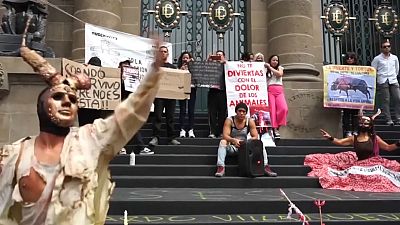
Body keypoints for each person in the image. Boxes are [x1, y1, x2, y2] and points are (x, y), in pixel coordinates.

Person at [0, 36, 164, 224]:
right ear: (41, 105)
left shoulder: (90, 140)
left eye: (73, 99)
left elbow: (128, 116)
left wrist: (154, 74)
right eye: (58, 96)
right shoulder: (14, 155)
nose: (67, 101)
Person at [305, 109, 400, 192]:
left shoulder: (375, 138)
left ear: (370, 126)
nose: (363, 125)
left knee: (380, 177)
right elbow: (340, 142)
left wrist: (398, 143)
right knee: (353, 174)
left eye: (366, 123)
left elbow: (388, 147)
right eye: (362, 123)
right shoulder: (353, 138)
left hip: (375, 163)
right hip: (360, 164)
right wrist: (330, 137)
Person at [215, 103, 277, 177]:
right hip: (233, 147)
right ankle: (221, 167)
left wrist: (246, 143)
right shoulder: (230, 120)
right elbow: (225, 135)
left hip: (245, 148)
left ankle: (265, 166)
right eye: (239, 111)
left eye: (244, 112)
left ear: (246, 113)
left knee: (260, 143)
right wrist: (233, 140)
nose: (241, 113)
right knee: (223, 142)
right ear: (236, 111)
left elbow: (255, 136)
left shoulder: (249, 121)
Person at [119, 60, 154, 155]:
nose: (125, 69)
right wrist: (122, 81)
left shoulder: (134, 80)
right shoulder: (116, 80)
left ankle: (135, 147)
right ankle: (137, 147)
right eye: (123, 67)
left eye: (127, 67)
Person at [148, 46, 181, 145]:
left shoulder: (173, 67)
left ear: (167, 54)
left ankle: (171, 138)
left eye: (165, 52)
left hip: (171, 96)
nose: (163, 53)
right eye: (161, 51)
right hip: (158, 95)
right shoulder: (154, 66)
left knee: (170, 117)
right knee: (157, 116)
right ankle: (155, 137)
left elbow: (177, 80)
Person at [371, 41, 400, 125]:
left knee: (397, 98)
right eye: (384, 47)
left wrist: (394, 75)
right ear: (381, 48)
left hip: (393, 79)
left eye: (388, 46)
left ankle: (398, 117)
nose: (387, 48)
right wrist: (378, 77)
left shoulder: (394, 58)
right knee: (386, 100)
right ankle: (388, 119)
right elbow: (373, 69)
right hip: (383, 80)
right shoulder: (377, 58)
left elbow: (397, 69)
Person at [265, 54, 288, 140]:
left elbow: (279, 74)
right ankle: (274, 129)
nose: (275, 62)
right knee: (272, 110)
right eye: (273, 60)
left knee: (283, 108)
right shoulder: (265, 69)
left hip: (279, 90)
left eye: (276, 60)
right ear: (270, 61)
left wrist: (270, 67)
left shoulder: (280, 68)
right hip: (270, 90)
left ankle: (277, 126)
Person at [77, 56, 103, 126]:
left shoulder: (102, 76)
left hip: (96, 109)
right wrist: (83, 68)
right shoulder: (83, 72)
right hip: (84, 109)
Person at [207, 50, 227, 138]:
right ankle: (213, 132)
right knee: (212, 112)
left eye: (220, 55)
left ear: (224, 57)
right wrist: (208, 61)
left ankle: (221, 132)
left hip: (223, 92)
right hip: (213, 91)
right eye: (217, 55)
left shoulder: (227, 66)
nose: (218, 56)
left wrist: (225, 63)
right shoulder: (211, 66)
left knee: (222, 113)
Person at [177, 51, 197, 138]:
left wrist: (193, 66)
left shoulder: (194, 68)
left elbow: (199, 77)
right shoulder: (178, 68)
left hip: (192, 89)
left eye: (187, 58)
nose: (185, 59)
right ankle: (182, 129)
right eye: (184, 57)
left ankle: (191, 129)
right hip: (182, 90)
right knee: (182, 110)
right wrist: (180, 70)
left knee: (191, 110)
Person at [342, 52, 360, 137]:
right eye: (348, 58)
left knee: (355, 114)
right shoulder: (341, 69)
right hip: (345, 95)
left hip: (355, 94)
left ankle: (355, 130)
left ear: (354, 59)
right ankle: (347, 131)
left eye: (351, 57)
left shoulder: (360, 69)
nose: (349, 59)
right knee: (346, 113)